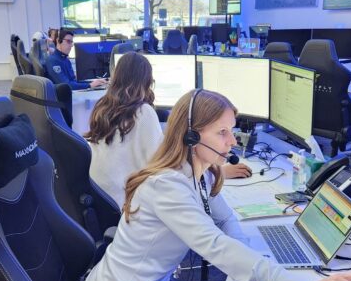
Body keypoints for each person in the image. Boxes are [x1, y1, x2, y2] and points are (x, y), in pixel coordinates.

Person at [81, 89, 351, 281]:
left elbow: (224, 221)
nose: (232, 141)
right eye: (222, 132)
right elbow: (216, 246)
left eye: (231, 131)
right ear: (191, 135)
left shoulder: (200, 173)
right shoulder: (166, 186)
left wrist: (245, 256)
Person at [84, 52, 252, 208]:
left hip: (104, 200)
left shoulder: (102, 108)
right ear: (148, 81)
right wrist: (218, 173)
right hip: (127, 204)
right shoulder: (142, 112)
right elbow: (165, 167)